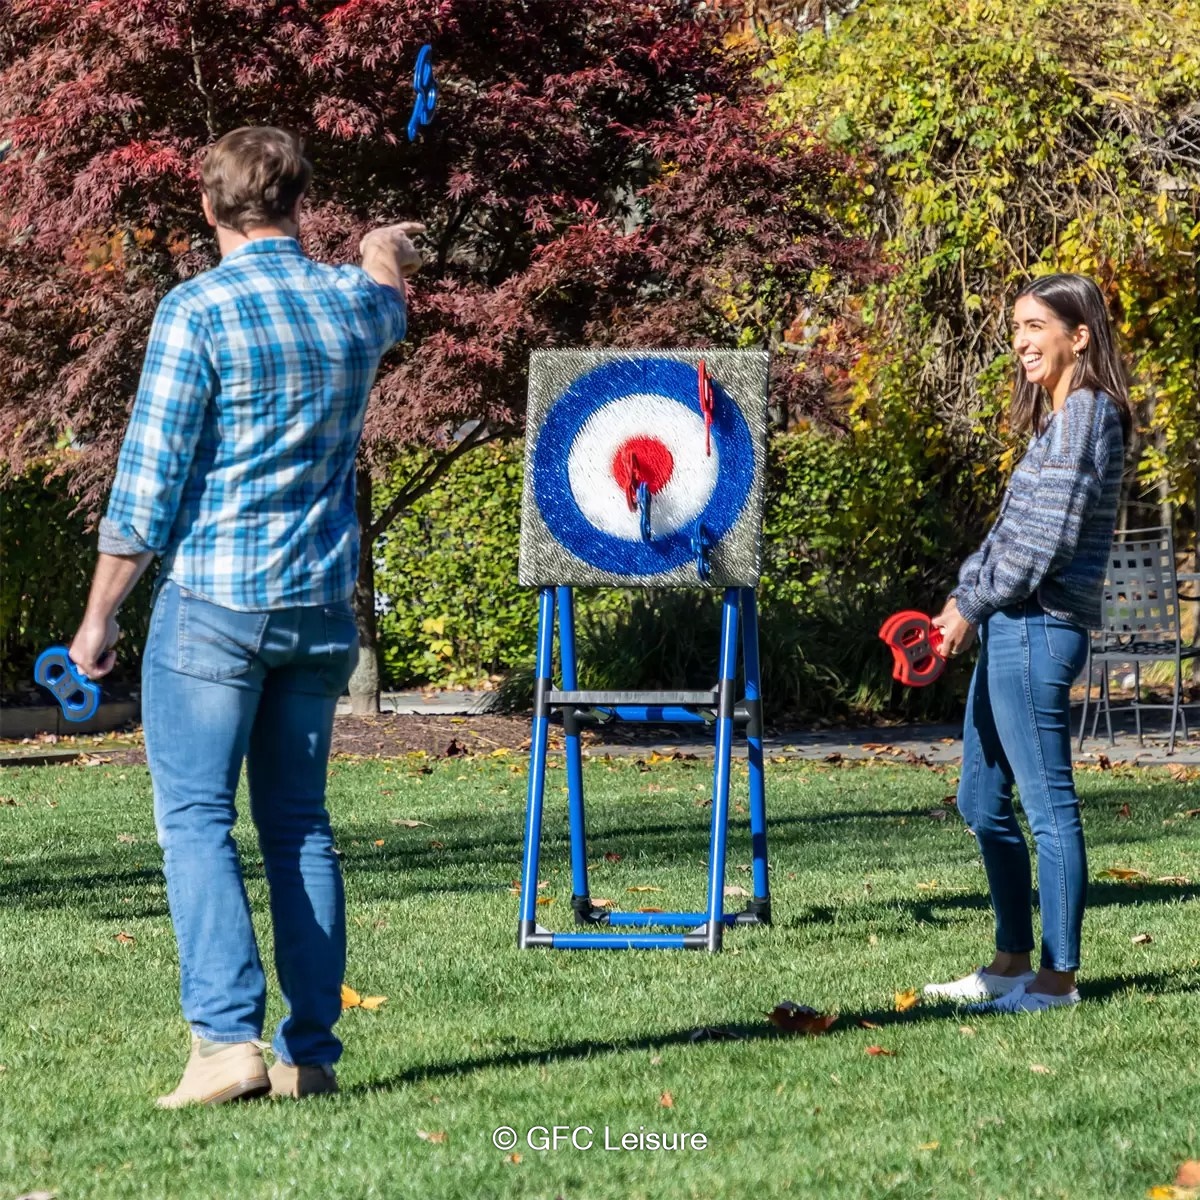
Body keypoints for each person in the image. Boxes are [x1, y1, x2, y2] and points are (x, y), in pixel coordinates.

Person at [67, 126, 423, 1105]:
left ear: (209, 207)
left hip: (216, 607)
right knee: (300, 825)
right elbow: (388, 302)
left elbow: (147, 485)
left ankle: (226, 1044)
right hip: (319, 608)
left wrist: (99, 618)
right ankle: (310, 1055)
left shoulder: (197, 311)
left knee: (196, 820)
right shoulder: (351, 304)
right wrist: (381, 250)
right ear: (300, 202)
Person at [925, 273, 1131, 1014]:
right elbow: (1010, 533)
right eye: (1016, 327)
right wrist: (963, 600)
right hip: (1009, 623)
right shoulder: (1058, 421)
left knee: (1048, 807)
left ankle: (1056, 980)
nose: (1020, 341)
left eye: (1035, 325)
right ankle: (1010, 963)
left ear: (1080, 335)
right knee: (982, 802)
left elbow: (1047, 541)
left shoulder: (1087, 416)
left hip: (1039, 626)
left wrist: (972, 605)